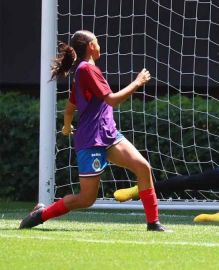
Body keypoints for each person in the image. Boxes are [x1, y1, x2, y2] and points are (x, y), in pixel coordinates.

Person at [19, 30, 167, 231]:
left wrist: (66, 124)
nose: (99, 46)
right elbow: (112, 100)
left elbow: (70, 107)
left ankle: (153, 223)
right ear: (90, 46)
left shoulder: (85, 71)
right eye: (97, 42)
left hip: (108, 134)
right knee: (86, 199)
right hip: (91, 140)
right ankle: (41, 214)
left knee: (143, 167)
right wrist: (137, 82)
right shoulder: (86, 70)